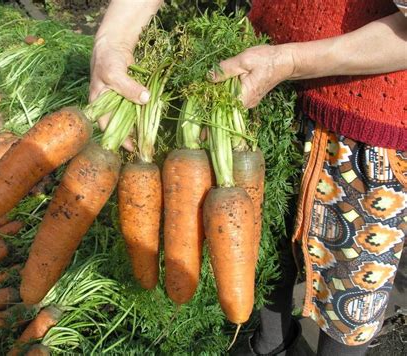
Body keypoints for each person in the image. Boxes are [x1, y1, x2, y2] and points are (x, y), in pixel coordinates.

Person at [89, 1, 407, 355]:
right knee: (263, 246)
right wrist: (112, 40)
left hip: (366, 131)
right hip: (264, 86)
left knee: (352, 283)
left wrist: (291, 62)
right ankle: (272, 343)